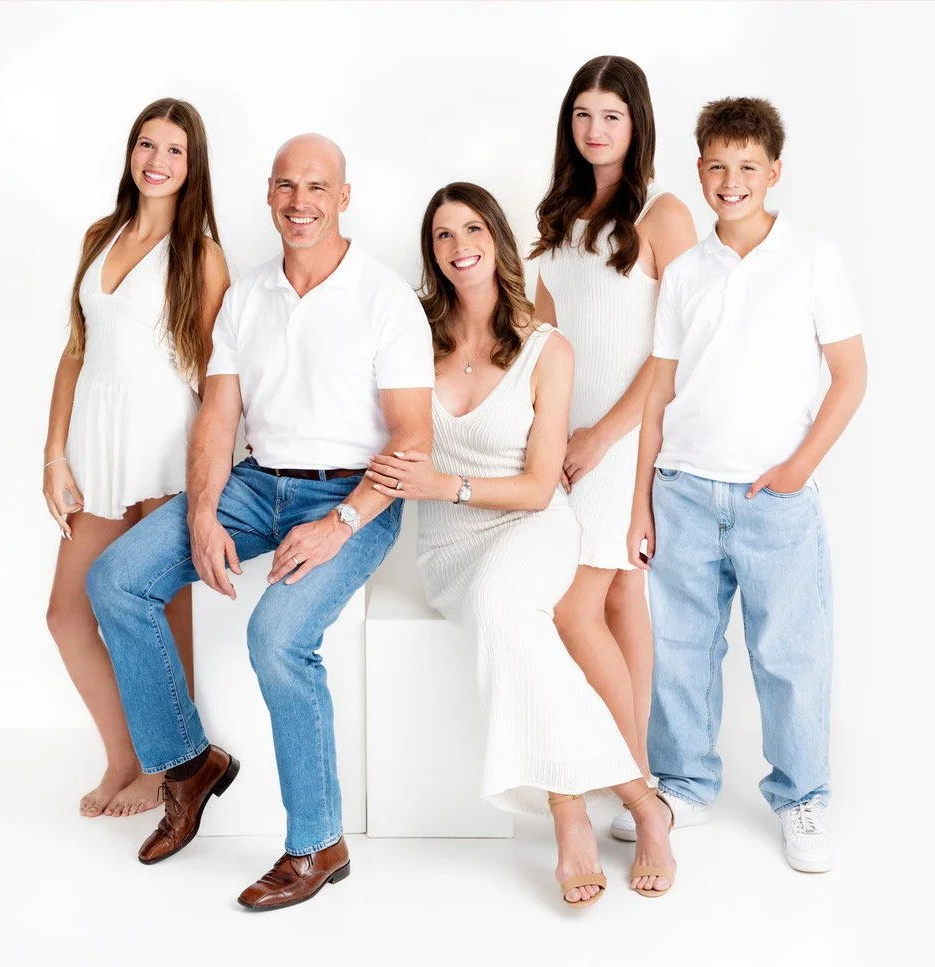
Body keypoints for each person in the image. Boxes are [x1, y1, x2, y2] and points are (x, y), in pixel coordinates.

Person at [85, 134, 434, 910]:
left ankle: (318, 842)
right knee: (115, 578)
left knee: (276, 636)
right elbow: (218, 414)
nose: (299, 202)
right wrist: (205, 511)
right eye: (285, 185)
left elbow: (413, 438)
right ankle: (188, 764)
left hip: (354, 495)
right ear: (269, 194)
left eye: (316, 186)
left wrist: (341, 520)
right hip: (255, 486)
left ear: (345, 198)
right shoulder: (247, 295)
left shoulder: (384, 298)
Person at [367, 183, 674, 906]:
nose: (457, 245)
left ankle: (571, 818)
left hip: (533, 526)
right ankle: (642, 798)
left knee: (508, 608)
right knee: (511, 623)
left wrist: (446, 484)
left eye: (471, 228)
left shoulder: (546, 347)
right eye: (441, 235)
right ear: (432, 252)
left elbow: (540, 487)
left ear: (497, 239)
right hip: (448, 549)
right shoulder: (413, 336)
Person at [627, 98, 867, 872]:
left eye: (748, 168)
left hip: (774, 498)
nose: (732, 181)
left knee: (790, 652)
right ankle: (685, 783)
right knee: (681, 650)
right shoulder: (687, 272)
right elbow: (659, 391)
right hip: (685, 491)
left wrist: (799, 468)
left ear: (775, 173)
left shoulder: (812, 259)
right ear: (699, 170)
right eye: (718, 167)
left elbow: (851, 375)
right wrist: (642, 501)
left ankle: (803, 797)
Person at [42, 98, 229, 818]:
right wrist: (54, 456)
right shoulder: (101, 234)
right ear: (132, 152)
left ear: (192, 166)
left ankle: (169, 767)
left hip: (163, 447)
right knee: (66, 612)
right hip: (96, 445)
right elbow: (76, 348)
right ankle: (123, 753)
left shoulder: (201, 253)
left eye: (174, 150)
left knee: (159, 614)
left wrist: (210, 475)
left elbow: (220, 375)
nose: (156, 160)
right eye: (146, 145)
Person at [531, 56, 696, 853]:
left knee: (578, 604)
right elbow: (542, 341)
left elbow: (673, 352)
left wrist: (605, 435)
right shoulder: (555, 219)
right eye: (583, 115)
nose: (595, 131)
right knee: (620, 599)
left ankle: (634, 787)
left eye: (612, 116)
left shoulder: (664, 215)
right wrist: (553, 433)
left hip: (628, 438)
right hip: (570, 443)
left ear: (638, 125)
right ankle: (643, 783)